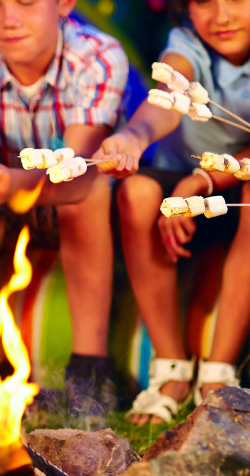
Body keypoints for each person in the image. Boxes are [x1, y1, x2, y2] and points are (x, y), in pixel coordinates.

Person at [0, 0, 128, 416]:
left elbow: (79, 171)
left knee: (87, 194)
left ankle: (90, 372)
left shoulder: (97, 57)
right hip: (6, 201)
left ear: (63, 4)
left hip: (80, 201)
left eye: (25, 2)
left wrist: (12, 183)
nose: (9, 19)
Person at [95, 0, 250, 424]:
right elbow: (170, 96)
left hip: (234, 195)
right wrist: (132, 137)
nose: (221, 16)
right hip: (178, 187)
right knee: (138, 191)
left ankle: (219, 374)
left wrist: (199, 184)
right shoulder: (187, 44)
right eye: (204, 1)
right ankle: (171, 369)